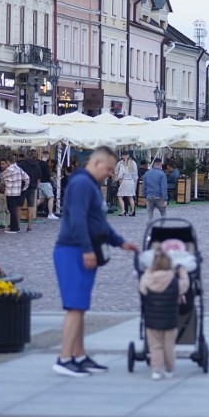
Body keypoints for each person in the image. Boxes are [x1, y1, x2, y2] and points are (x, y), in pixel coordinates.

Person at [52, 147, 139, 377]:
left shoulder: (88, 184)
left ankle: (78, 355)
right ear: (97, 163)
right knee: (75, 307)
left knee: (79, 307)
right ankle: (64, 358)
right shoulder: (82, 184)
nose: (111, 173)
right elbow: (79, 220)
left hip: (79, 249)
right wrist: (88, 250)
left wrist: (120, 242)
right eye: (110, 169)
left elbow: (98, 222)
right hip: (73, 250)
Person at [139, 249, 189, 380]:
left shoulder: (147, 278)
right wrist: (182, 272)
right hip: (170, 321)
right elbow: (185, 285)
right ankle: (169, 369)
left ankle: (156, 370)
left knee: (155, 346)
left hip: (152, 320)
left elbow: (142, 291)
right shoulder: (173, 280)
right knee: (169, 347)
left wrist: (147, 271)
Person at [1, 155, 29, 234]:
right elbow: (27, 178)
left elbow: (2, 178)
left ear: (8, 162)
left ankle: (14, 228)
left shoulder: (7, 170)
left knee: (11, 210)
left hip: (10, 192)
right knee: (15, 210)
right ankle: (15, 227)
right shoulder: (19, 169)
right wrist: (24, 188)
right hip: (18, 192)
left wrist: (5, 183)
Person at [17, 152, 41, 232]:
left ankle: (18, 225)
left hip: (22, 188)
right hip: (32, 188)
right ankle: (29, 227)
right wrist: (36, 186)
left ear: (26, 155)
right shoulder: (36, 165)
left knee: (19, 207)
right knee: (30, 208)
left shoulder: (21, 164)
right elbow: (39, 178)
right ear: (33, 156)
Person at [142, 158, 169, 224]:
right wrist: (165, 199)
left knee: (149, 215)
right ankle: (161, 230)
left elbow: (144, 186)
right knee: (163, 214)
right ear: (160, 164)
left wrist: (144, 196)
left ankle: (148, 232)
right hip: (159, 197)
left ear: (153, 164)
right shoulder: (162, 174)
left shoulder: (147, 173)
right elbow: (164, 187)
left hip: (149, 196)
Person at [115, 151, 138, 216]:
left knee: (120, 196)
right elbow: (135, 174)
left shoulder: (121, 164)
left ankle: (123, 211)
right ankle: (133, 211)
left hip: (124, 181)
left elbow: (120, 175)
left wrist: (119, 181)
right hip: (131, 181)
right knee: (130, 197)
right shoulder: (133, 163)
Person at [37, 151, 58, 219]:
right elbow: (48, 175)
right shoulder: (45, 165)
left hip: (40, 183)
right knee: (51, 197)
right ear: (48, 156)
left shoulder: (38, 163)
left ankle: (31, 210)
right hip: (45, 183)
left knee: (41, 199)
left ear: (42, 155)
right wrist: (54, 180)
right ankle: (50, 214)